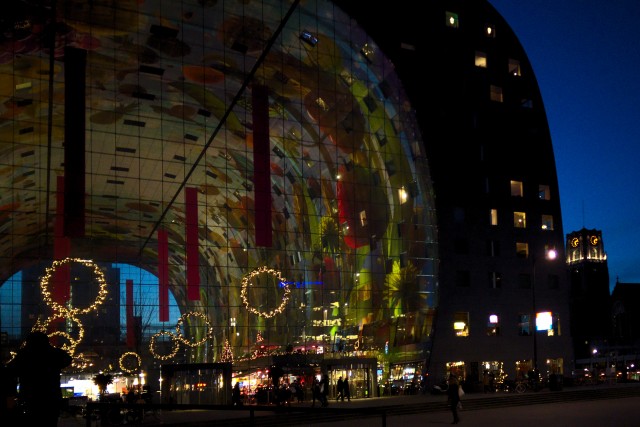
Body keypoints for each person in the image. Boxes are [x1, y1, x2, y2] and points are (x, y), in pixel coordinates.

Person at [7, 331, 72, 427]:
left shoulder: (25, 355)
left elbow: (11, 370)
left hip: (30, 397)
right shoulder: (53, 354)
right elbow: (67, 359)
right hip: (50, 397)